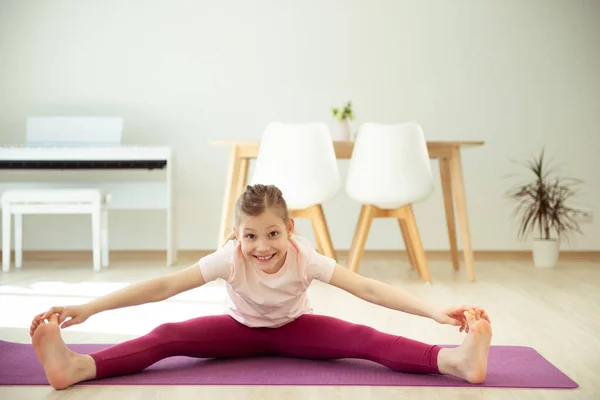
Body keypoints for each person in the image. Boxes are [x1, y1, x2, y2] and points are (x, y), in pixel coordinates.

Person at [30, 184, 492, 390]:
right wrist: (89, 308)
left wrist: (435, 313)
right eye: (250, 235)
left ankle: (455, 360)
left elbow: (368, 289)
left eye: (272, 233)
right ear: (236, 235)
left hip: (296, 328)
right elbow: (164, 285)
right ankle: (78, 368)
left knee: (362, 338)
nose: (262, 246)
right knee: (167, 334)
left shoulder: (304, 255)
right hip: (238, 328)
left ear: (289, 228)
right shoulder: (229, 258)